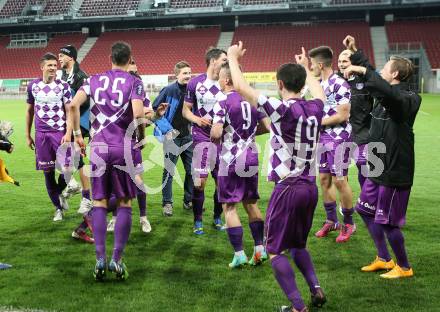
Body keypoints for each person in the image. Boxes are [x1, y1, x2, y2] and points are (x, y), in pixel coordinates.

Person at [227, 42, 326, 312]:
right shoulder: (316, 109)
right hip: (310, 186)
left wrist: (232, 58)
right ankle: (316, 290)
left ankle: (297, 307)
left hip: (288, 188)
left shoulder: (282, 109)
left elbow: (240, 88)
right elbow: (319, 93)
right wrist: (308, 70)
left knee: (274, 250)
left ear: (280, 83)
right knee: (298, 245)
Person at [66, 42, 167, 280]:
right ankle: (116, 260)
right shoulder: (135, 82)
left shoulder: (93, 80)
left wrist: (78, 136)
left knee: (99, 202)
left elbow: (71, 105)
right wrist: (141, 139)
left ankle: (99, 260)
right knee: (124, 203)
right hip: (123, 146)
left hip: (99, 147)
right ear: (129, 59)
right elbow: (139, 114)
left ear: (109, 57)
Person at [344, 55, 421, 279]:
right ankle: (384, 258)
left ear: (395, 74)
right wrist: (356, 54)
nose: (379, 71)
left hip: (395, 172)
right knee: (364, 209)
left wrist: (361, 69)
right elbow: (381, 87)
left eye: (384, 68)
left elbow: (389, 93)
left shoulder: (408, 98)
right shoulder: (386, 96)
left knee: (387, 222)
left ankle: (404, 267)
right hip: (378, 168)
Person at [210, 62, 270, 268]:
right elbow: (267, 126)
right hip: (251, 155)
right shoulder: (251, 99)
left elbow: (217, 133)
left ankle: (239, 255)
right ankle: (260, 250)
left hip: (231, 159)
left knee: (230, 206)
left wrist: (214, 137)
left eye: (219, 77)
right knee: (251, 203)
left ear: (226, 80)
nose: (217, 80)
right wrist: (248, 135)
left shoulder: (222, 101)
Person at [308, 46, 356, 242]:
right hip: (323, 137)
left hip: (339, 137)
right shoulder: (320, 84)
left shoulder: (339, 84)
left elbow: (343, 115)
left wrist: (317, 122)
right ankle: (331, 221)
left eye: (312, 64)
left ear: (320, 64)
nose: (312, 67)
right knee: (324, 180)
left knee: (339, 180)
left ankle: (349, 223)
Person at [182, 48, 228, 234]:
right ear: (213, 61)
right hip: (201, 136)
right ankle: (198, 220)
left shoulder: (227, 82)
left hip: (224, 139)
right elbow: (186, 111)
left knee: (221, 182)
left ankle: (217, 217)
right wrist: (197, 120)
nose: (227, 62)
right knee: (199, 182)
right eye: (224, 59)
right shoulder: (195, 83)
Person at [107, 58, 152, 233]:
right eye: (130, 71)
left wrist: (149, 117)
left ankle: (143, 217)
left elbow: (146, 116)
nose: (133, 74)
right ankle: (114, 217)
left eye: (135, 72)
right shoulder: (112, 90)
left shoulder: (140, 90)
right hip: (114, 143)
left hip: (132, 143)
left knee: (138, 182)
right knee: (113, 184)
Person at [25, 52, 72, 222]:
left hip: (59, 133)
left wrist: (68, 132)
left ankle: (60, 195)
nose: (53, 68)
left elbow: (69, 110)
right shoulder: (32, 86)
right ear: (42, 67)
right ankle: (58, 208)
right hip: (41, 135)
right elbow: (29, 111)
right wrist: (28, 135)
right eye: (50, 65)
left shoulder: (64, 86)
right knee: (48, 172)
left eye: (55, 65)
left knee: (67, 170)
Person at [58, 44, 94, 243]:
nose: (59, 59)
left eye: (61, 55)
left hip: (81, 120)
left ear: (70, 57)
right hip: (67, 120)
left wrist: (74, 129)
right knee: (74, 155)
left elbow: (79, 105)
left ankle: (83, 194)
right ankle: (81, 192)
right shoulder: (63, 77)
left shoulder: (81, 76)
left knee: (75, 153)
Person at [152, 61, 194, 216]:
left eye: (189, 73)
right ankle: (167, 203)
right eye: (184, 73)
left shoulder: (193, 91)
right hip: (172, 137)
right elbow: (154, 111)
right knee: (169, 171)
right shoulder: (168, 90)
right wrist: (168, 130)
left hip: (188, 137)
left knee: (191, 171)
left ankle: (188, 201)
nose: (188, 76)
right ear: (176, 75)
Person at [337, 36, 374, 188]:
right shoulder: (335, 81)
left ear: (353, 63)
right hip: (339, 133)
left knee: (363, 164)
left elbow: (372, 74)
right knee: (339, 173)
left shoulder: (364, 81)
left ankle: (366, 199)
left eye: (345, 61)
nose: (341, 64)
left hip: (361, 132)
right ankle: (345, 207)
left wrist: (354, 50)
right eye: (339, 61)